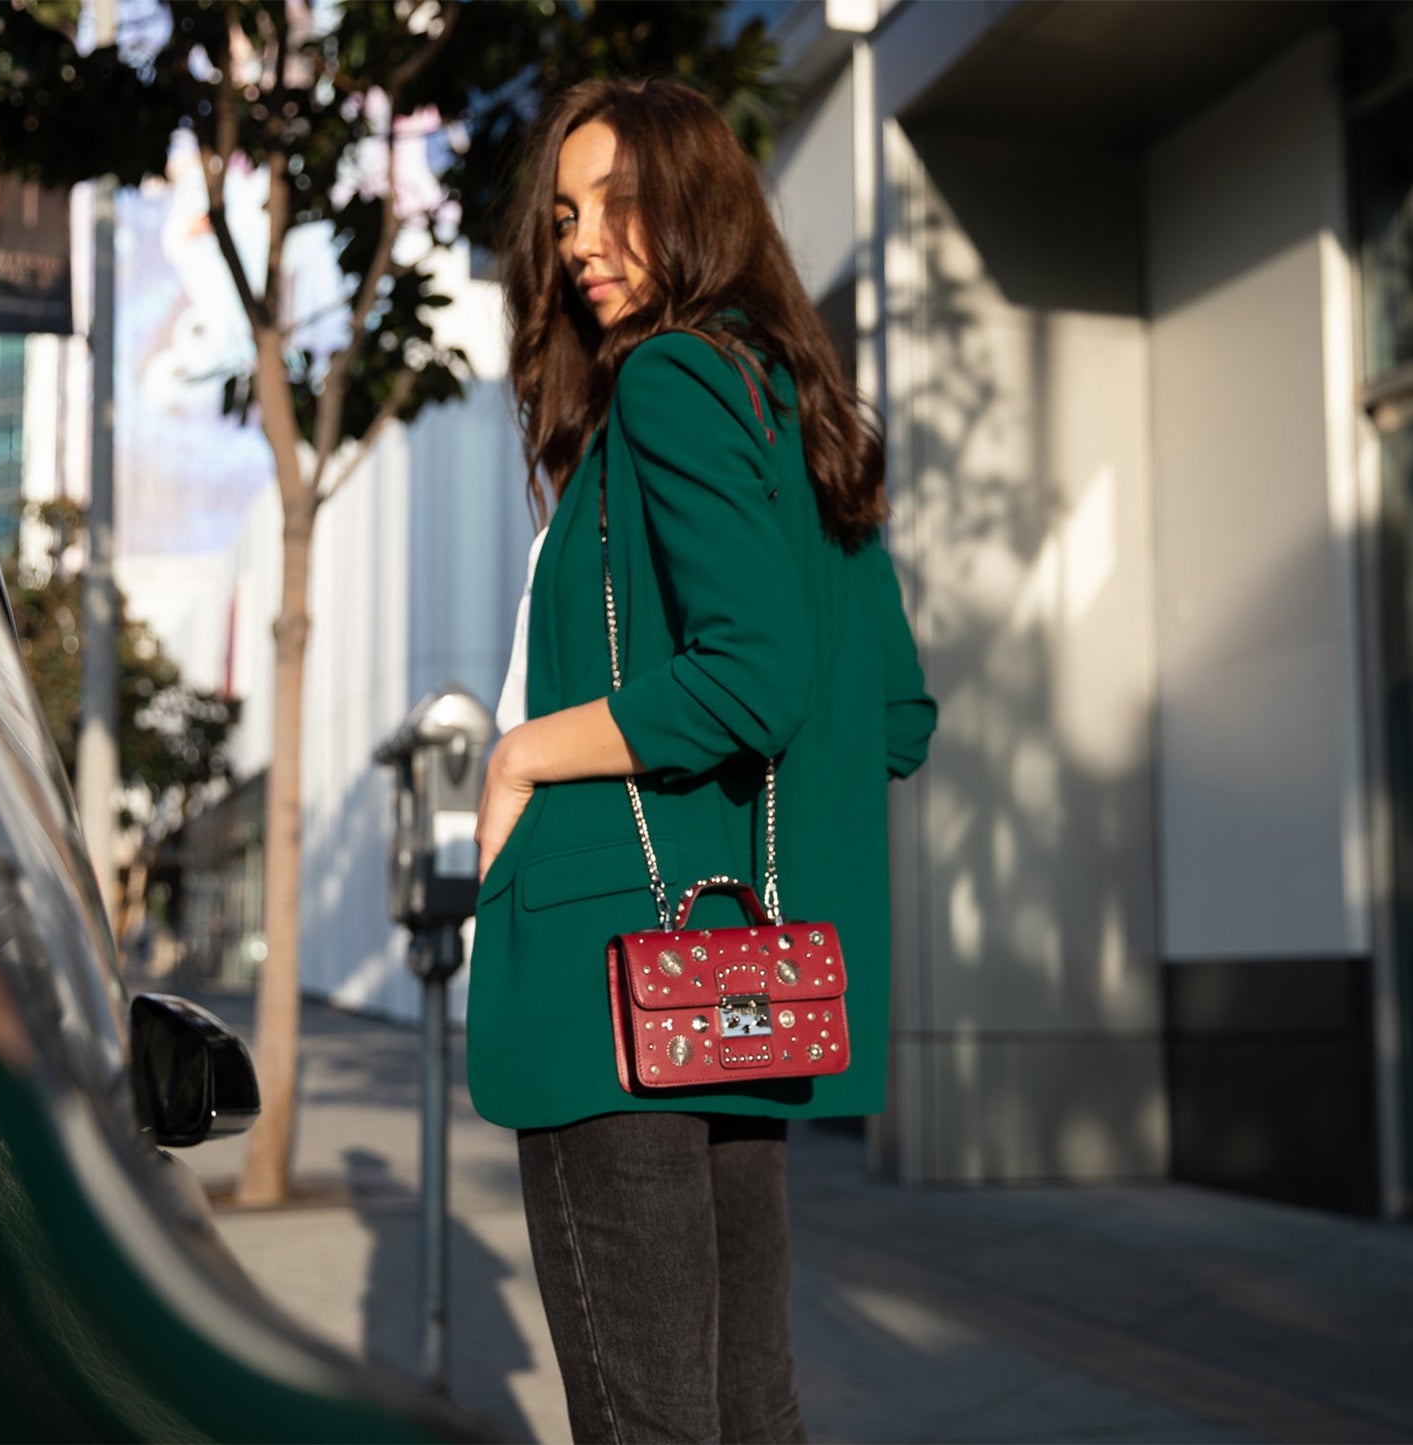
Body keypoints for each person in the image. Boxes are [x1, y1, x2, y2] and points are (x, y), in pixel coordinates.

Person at [471, 77, 937, 1445]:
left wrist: (519, 759)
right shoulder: (796, 401)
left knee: (649, 1422)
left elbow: (754, 674)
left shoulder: (669, 378)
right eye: (562, 215)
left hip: (612, 983)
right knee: (743, 1415)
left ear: (697, 204)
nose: (579, 242)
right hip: (730, 997)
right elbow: (890, 713)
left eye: (617, 202)